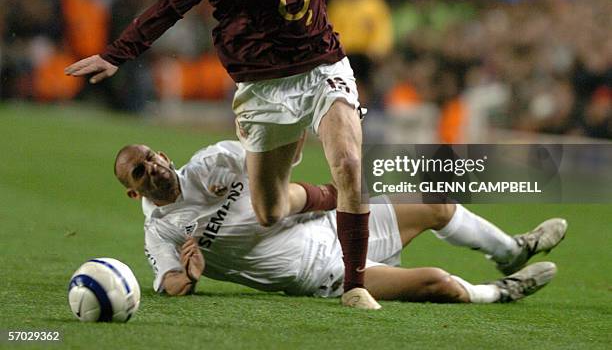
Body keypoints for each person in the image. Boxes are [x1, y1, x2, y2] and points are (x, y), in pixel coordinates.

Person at [66, 0, 492, 309]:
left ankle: (355, 284)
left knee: (349, 162)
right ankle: (332, 203)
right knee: (268, 207)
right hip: (263, 89)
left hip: (322, 67)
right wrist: (118, 53)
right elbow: (172, 5)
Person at [113, 139, 566, 304]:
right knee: (439, 283)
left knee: (436, 203)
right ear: (134, 191)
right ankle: (503, 293)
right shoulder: (162, 229)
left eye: (151, 157)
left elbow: (280, 177)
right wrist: (189, 278)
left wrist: (332, 195)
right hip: (322, 273)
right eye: (139, 171)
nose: (151, 168)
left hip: (332, 224)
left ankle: (512, 252)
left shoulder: (216, 160)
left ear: (164, 155)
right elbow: (168, 281)